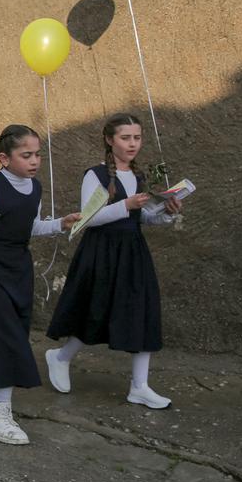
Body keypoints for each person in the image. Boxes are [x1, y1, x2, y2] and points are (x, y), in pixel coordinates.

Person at [45, 113, 183, 409]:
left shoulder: (141, 176)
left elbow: (143, 217)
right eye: (125, 137)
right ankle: (60, 357)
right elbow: (87, 218)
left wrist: (167, 212)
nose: (133, 144)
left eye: (137, 137)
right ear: (110, 140)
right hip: (101, 252)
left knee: (143, 311)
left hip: (133, 252)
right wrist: (125, 204)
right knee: (95, 310)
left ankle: (140, 386)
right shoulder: (95, 175)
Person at [0, 124, 79, 445]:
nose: (34, 160)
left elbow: (31, 227)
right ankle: (1, 415)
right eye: (27, 155)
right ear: (5, 159)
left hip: (18, 268)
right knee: (8, 337)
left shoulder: (34, 187)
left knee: (9, 333)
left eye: (37, 154)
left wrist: (59, 225)